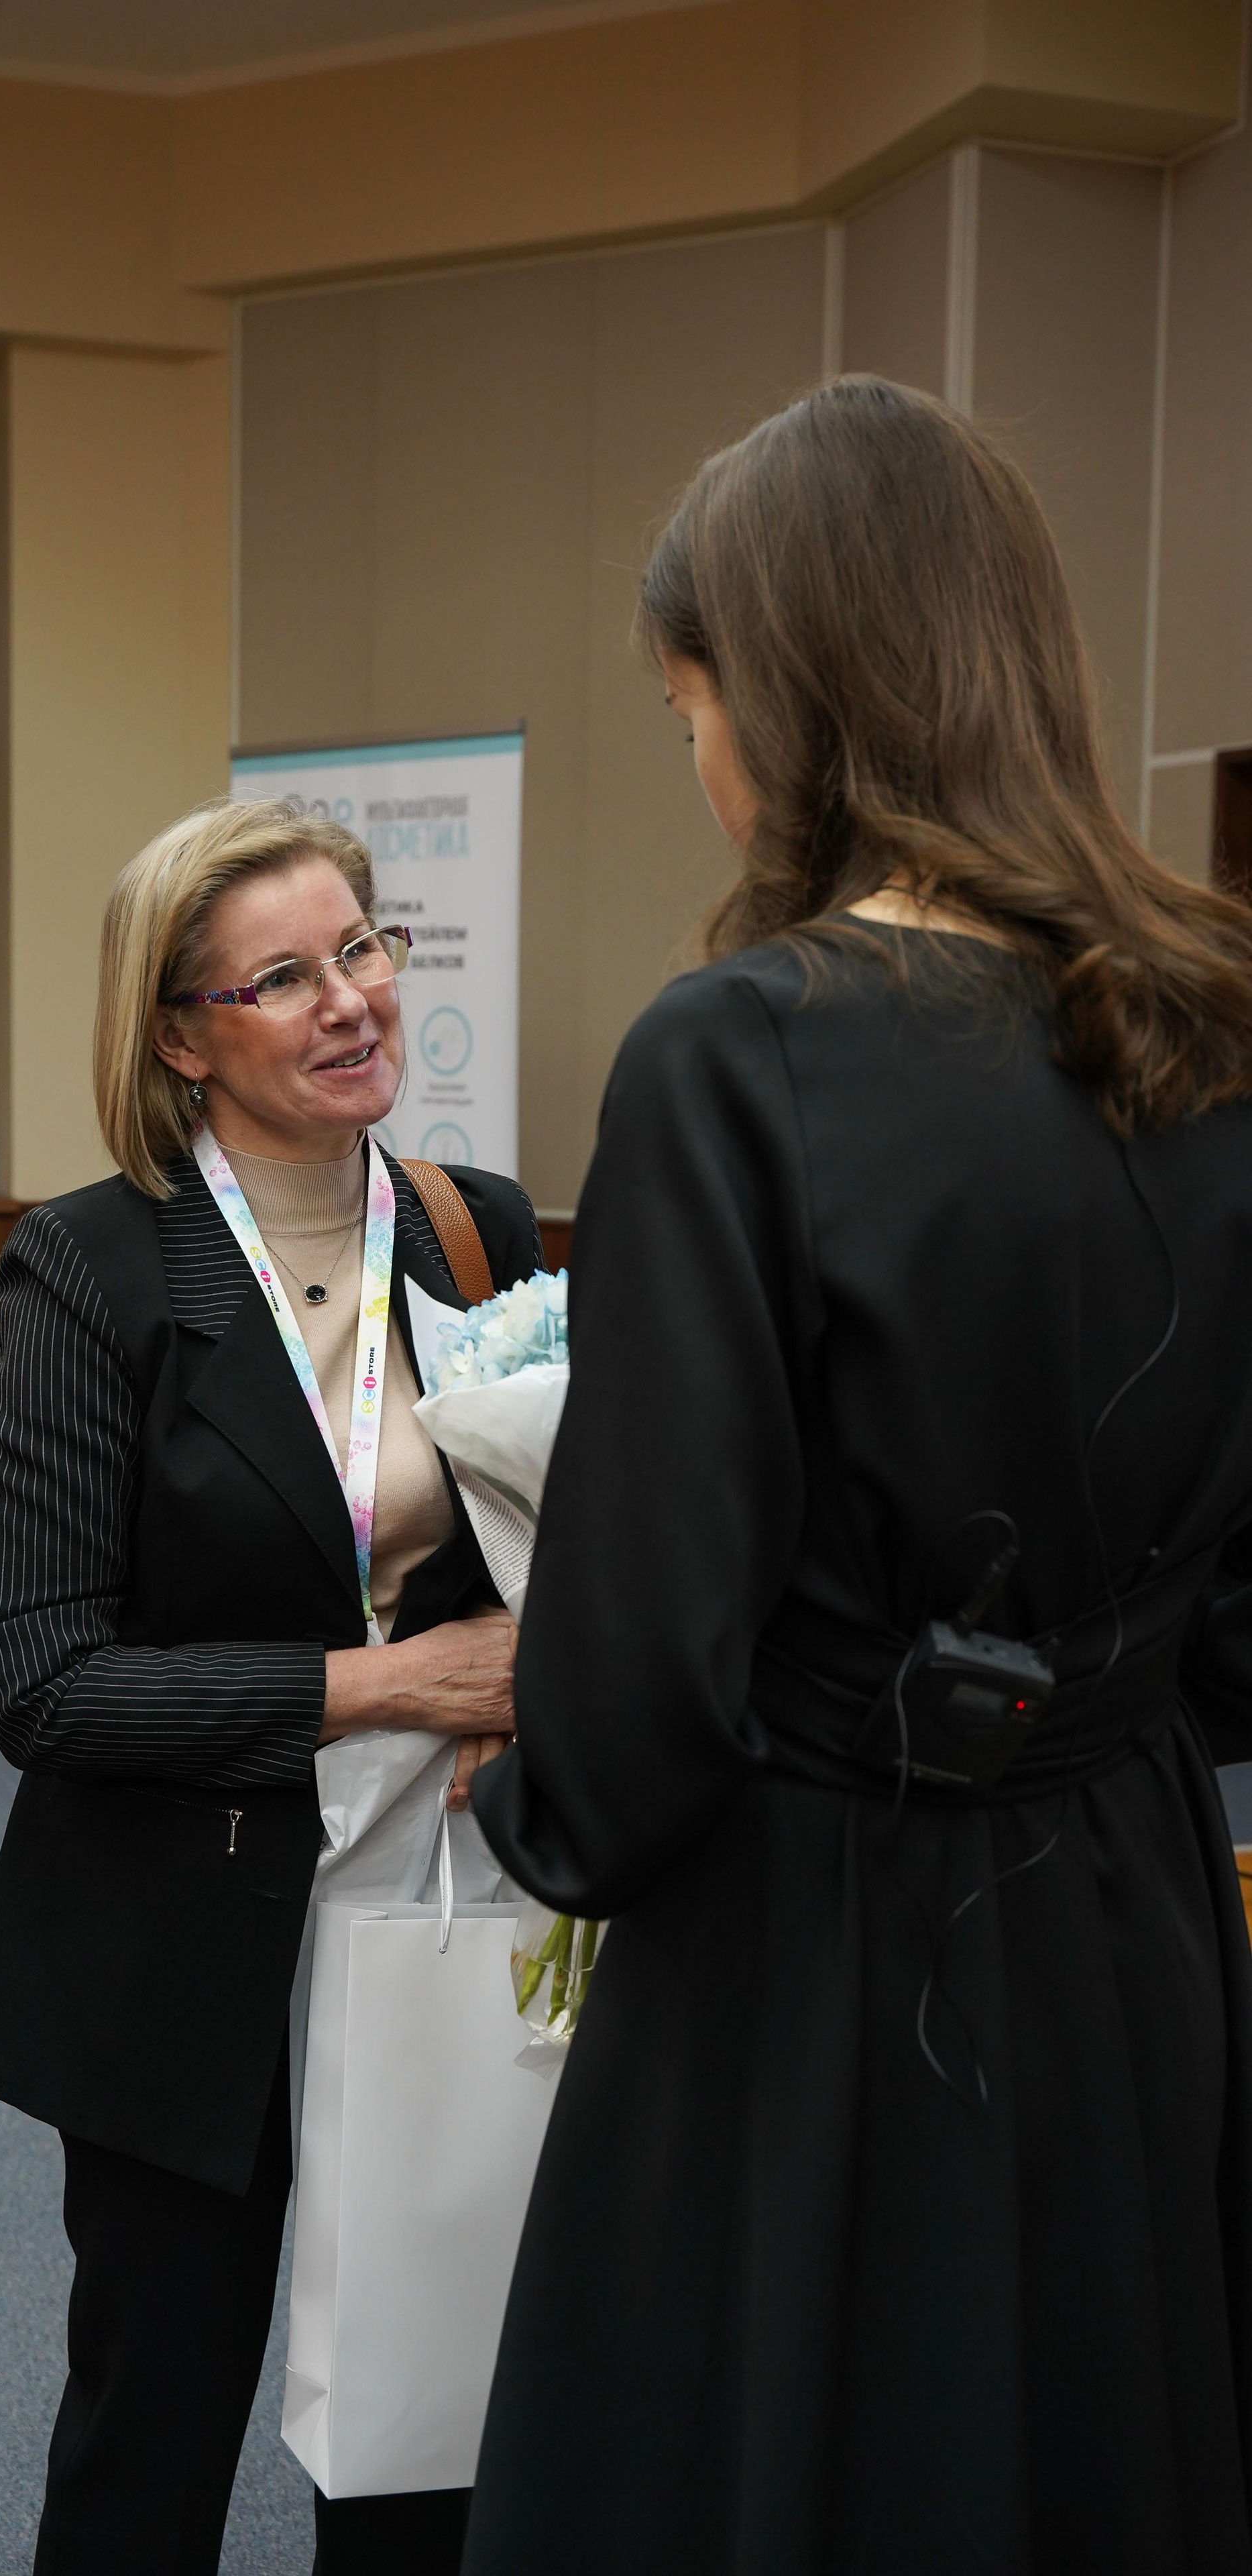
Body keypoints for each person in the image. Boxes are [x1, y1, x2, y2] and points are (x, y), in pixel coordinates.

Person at [465, 376, 1252, 2575]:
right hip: (1133, 1920)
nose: (698, 762)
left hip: (814, 1952)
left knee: (793, 2467)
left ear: (792, 703)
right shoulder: (1227, 1032)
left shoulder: (739, 1058)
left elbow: (629, 1721)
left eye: (691, 706)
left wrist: (541, 1809)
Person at [0, 796, 541, 2576]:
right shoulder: (93, 1266)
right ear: (180, 1034)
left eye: (359, 947)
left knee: (426, 2433)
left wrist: (528, 1674)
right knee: (160, 2413)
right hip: (178, 1930)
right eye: (280, 978)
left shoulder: (473, 1230)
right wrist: (392, 1683)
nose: (349, 998)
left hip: (433, 1909)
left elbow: (537, 1540)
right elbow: (43, 1681)